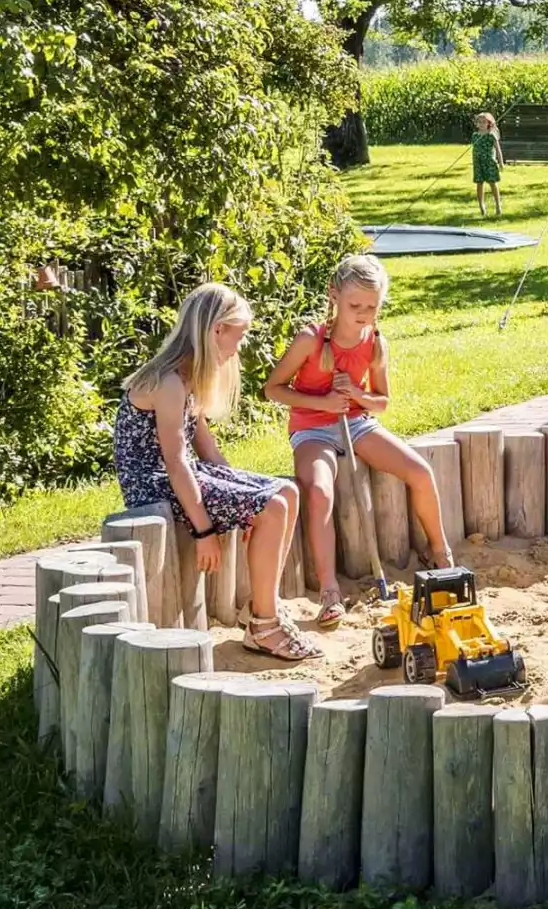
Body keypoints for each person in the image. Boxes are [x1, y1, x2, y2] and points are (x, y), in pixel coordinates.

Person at [113, 284, 310, 662]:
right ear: (217, 330)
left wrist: (244, 497)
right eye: (240, 333)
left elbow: (207, 450)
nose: (241, 344)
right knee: (271, 506)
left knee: (285, 493)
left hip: (181, 474)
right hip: (153, 485)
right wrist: (204, 531)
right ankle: (263, 626)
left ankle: (263, 606)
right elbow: (175, 462)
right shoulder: (168, 381)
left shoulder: (191, 376)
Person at [265, 253, 453, 627]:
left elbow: (381, 401)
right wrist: (321, 401)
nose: (364, 314)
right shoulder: (310, 340)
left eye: (372, 306)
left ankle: (441, 555)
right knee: (319, 491)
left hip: (356, 423)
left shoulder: (375, 342)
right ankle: (330, 590)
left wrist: (356, 394)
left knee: (419, 471)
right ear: (334, 295)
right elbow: (272, 389)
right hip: (312, 429)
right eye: (356, 305)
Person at [470, 112, 505, 218]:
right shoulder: (475, 135)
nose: (481, 124)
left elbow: (498, 150)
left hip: (489, 162)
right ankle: (482, 207)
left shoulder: (491, 135)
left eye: (484, 122)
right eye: (479, 122)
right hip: (478, 163)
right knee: (479, 183)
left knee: (492, 183)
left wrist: (501, 162)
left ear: (489, 123)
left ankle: (498, 205)